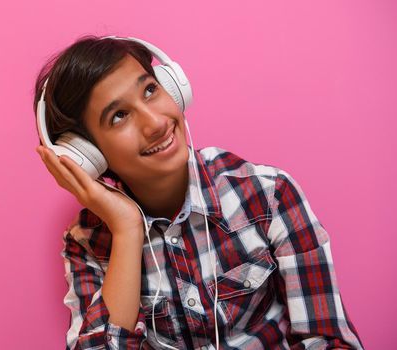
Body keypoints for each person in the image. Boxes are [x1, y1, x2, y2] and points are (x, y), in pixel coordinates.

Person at [32, 35, 364, 349]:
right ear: (87, 155)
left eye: (150, 90)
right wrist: (126, 229)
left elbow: (331, 340)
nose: (156, 123)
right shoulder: (87, 245)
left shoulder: (268, 194)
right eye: (119, 116)